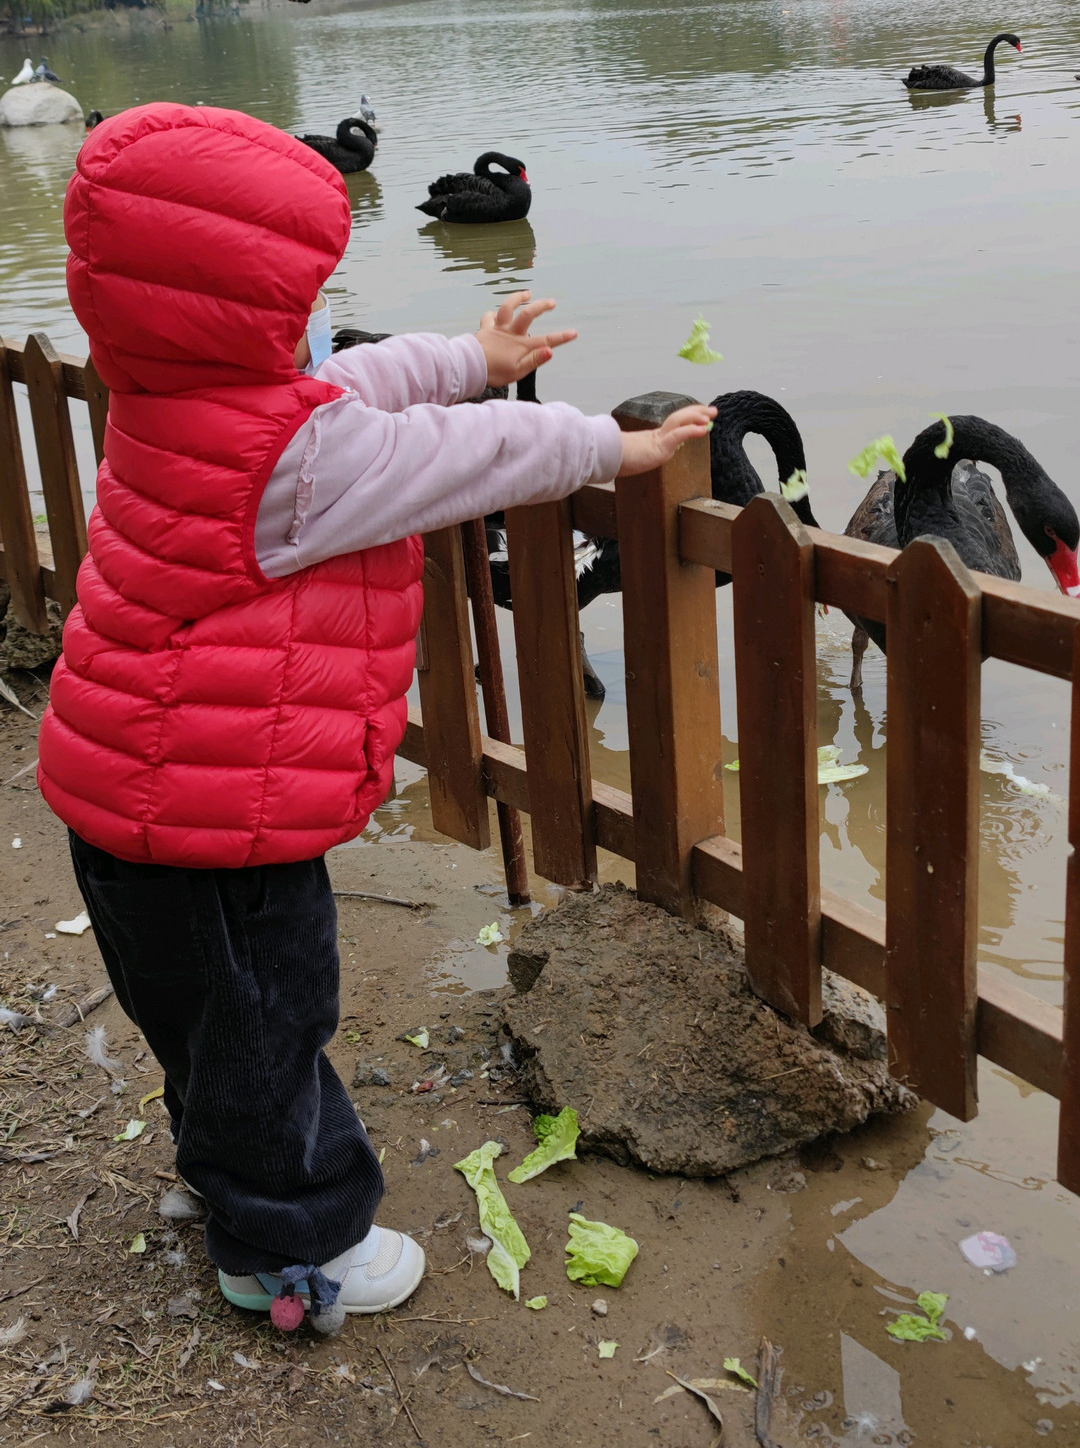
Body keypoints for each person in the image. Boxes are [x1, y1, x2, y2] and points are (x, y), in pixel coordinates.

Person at [37, 104, 715, 1332]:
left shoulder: (171, 398)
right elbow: (463, 461)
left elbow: (344, 383)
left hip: (134, 795)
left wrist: (466, 352)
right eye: (301, 294)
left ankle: (228, 1179)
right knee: (269, 1022)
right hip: (213, 822)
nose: (315, 318)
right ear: (240, 316)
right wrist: (609, 447)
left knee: (202, 1022)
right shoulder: (294, 464)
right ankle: (290, 1248)